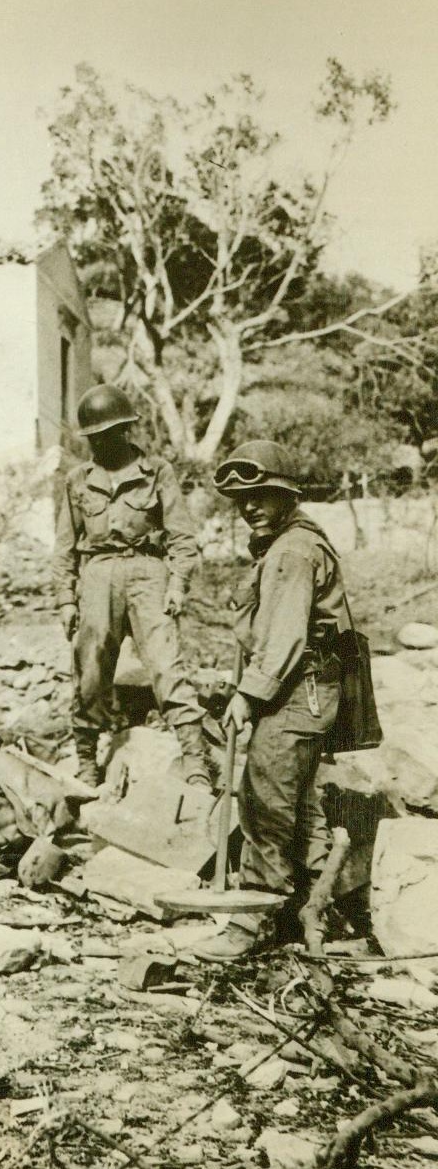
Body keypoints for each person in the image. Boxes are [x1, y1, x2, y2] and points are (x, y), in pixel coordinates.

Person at [193, 439, 349, 962]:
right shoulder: (291, 543)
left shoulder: (290, 551)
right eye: (242, 499)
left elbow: (284, 636)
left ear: (288, 495)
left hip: (294, 693)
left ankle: (252, 925)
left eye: (261, 495)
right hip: (306, 692)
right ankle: (314, 910)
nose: (249, 506)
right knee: (299, 807)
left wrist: (247, 695)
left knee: (264, 804)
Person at [53, 384, 213, 789]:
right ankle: (87, 760)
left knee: (166, 665)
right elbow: (65, 546)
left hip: (148, 571)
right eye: (94, 437)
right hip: (98, 574)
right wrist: (66, 600)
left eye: (109, 434)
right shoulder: (77, 480)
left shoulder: (156, 472)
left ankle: (195, 760)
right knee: (90, 670)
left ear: (125, 430)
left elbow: (181, 535)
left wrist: (177, 584)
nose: (101, 443)